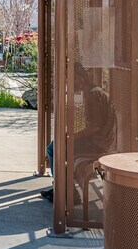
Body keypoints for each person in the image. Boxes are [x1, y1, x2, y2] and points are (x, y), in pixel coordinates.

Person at [40, 63, 116, 203]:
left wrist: (72, 137)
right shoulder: (91, 91)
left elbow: (94, 126)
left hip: (98, 145)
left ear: (79, 77)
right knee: (56, 146)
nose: (67, 81)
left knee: (54, 148)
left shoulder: (93, 94)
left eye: (69, 78)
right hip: (98, 141)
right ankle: (62, 187)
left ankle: (65, 191)